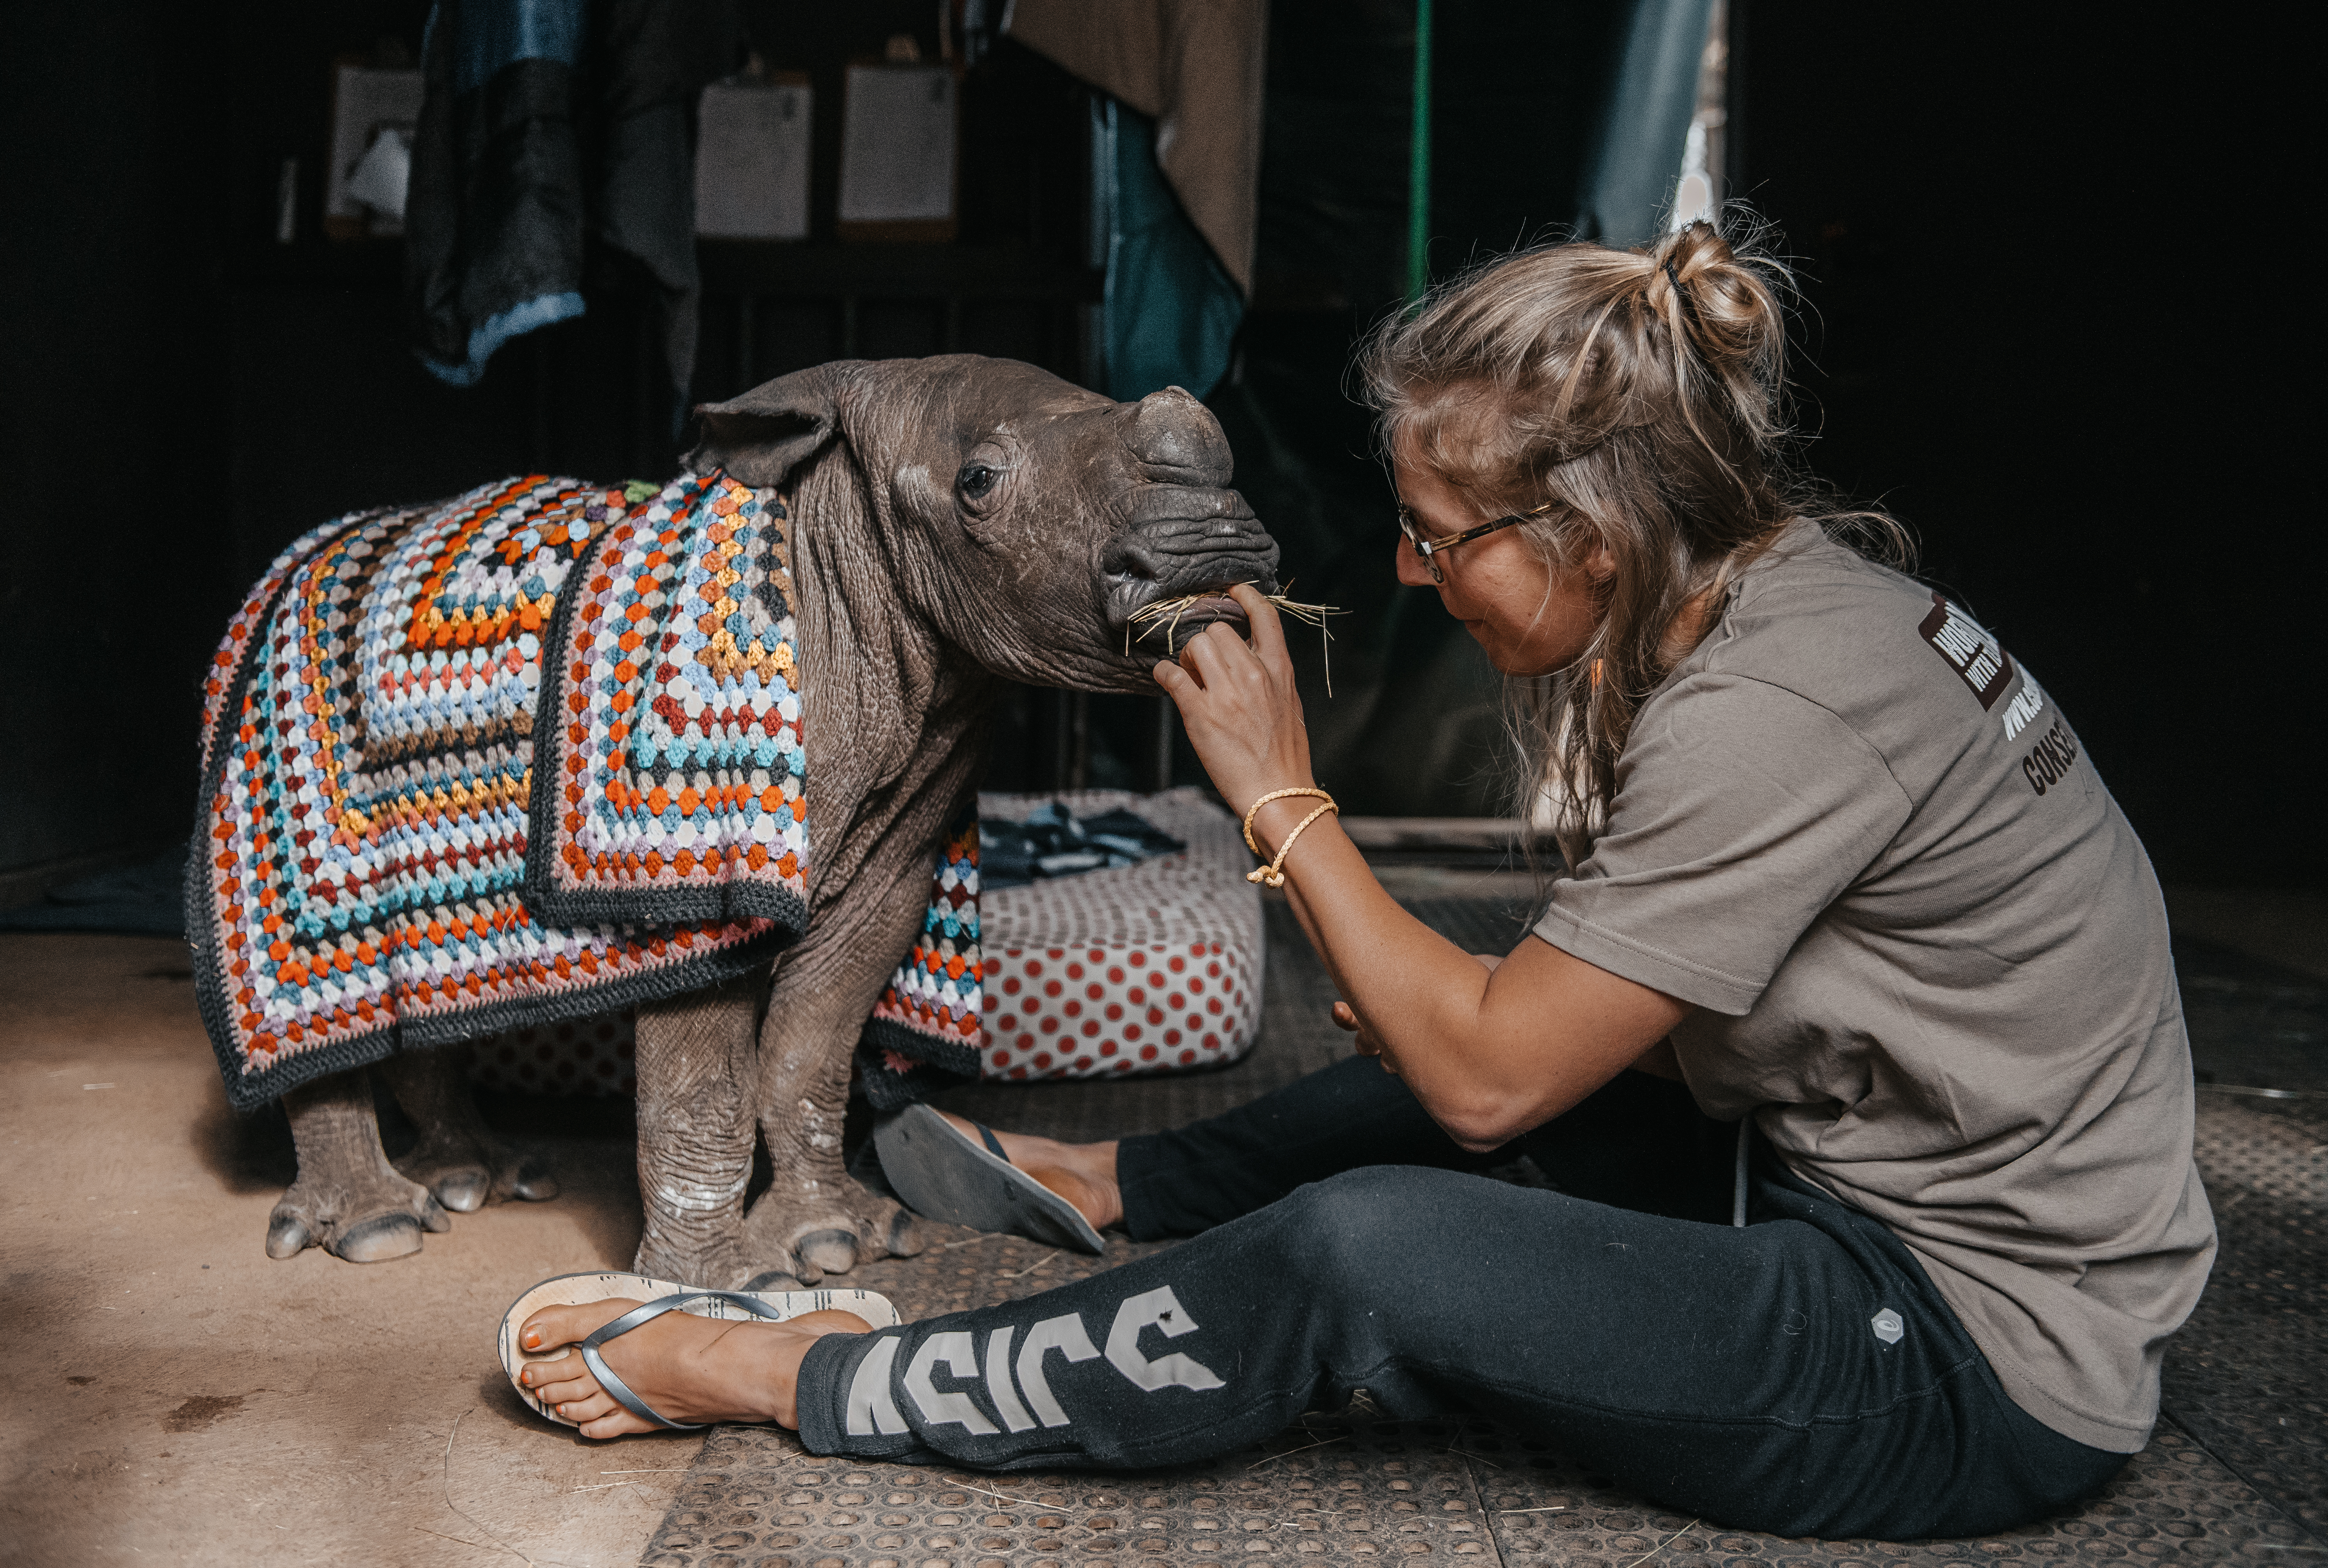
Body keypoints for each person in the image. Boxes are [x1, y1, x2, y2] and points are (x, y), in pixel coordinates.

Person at [506, 219, 2214, 1540]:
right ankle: (1113, 1185)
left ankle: (822, 1373)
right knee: (1436, 1064)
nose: (1405, 570)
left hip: (1974, 1354)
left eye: (1440, 533)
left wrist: (1282, 798)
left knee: (1367, 1244)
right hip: (1847, 1180)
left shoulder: (1770, 715)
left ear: (1592, 537)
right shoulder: (1788, 598)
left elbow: (1486, 1079)